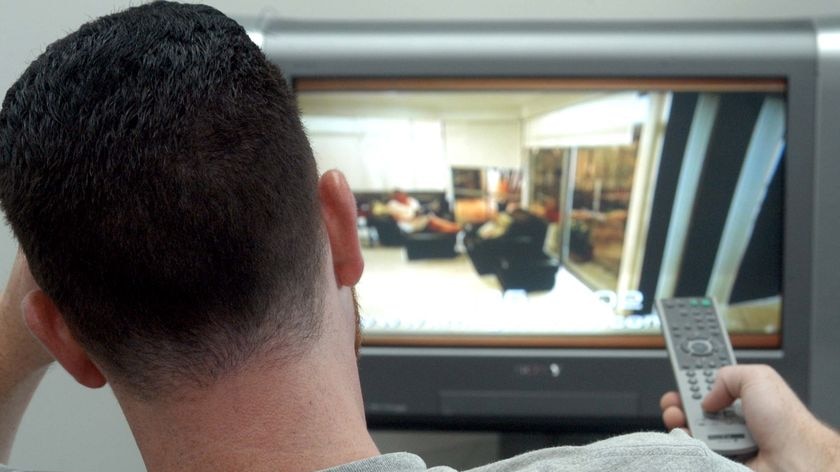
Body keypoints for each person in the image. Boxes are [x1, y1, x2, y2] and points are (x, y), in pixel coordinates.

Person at [0, 2, 837, 472]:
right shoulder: (671, 470)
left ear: (63, 339)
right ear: (342, 229)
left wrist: (20, 333)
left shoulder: (48, 334)